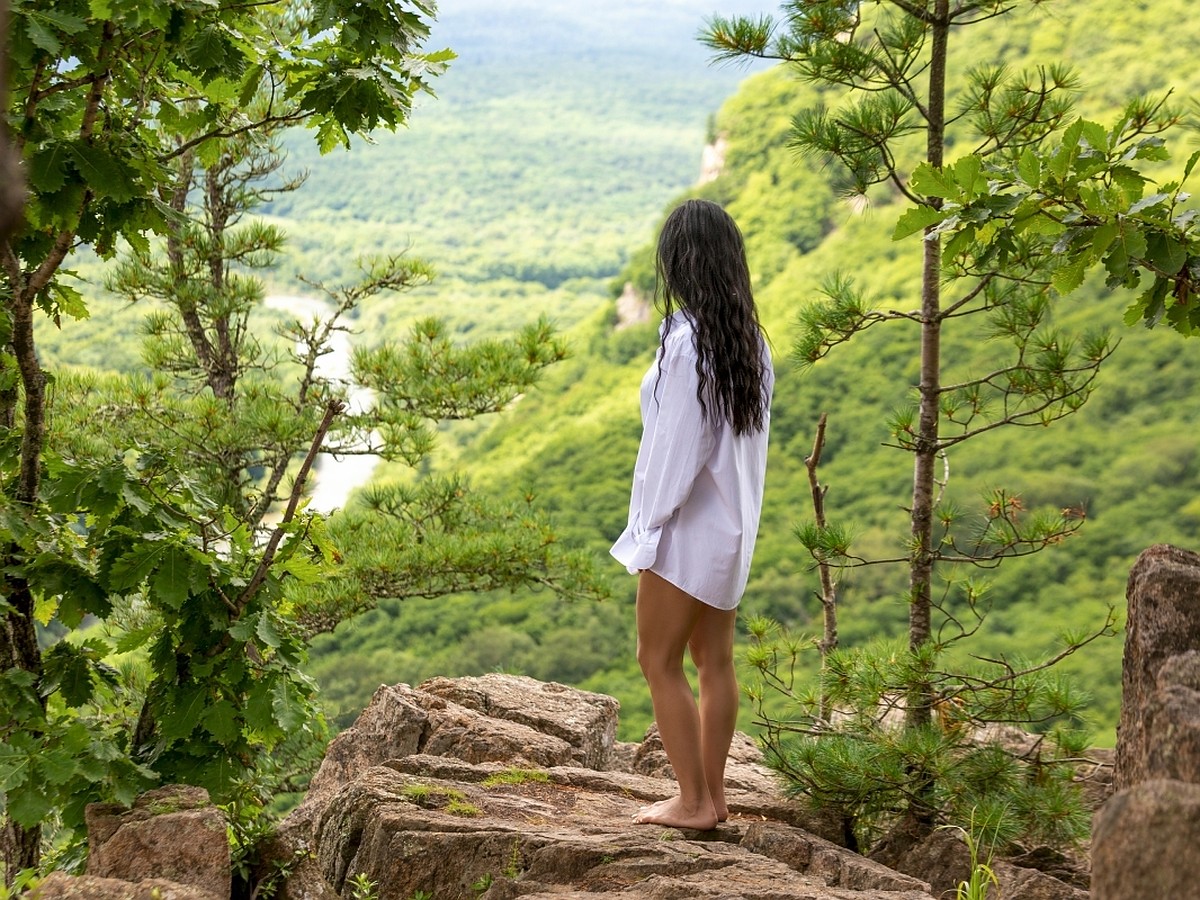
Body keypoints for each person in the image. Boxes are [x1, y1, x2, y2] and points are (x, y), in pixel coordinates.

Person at [610, 198, 774, 830]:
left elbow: (674, 453)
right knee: (715, 662)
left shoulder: (686, 345)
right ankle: (716, 796)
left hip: (683, 532)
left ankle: (694, 801)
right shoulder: (749, 343)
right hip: (731, 530)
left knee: (657, 661)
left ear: (678, 264)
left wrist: (644, 528)